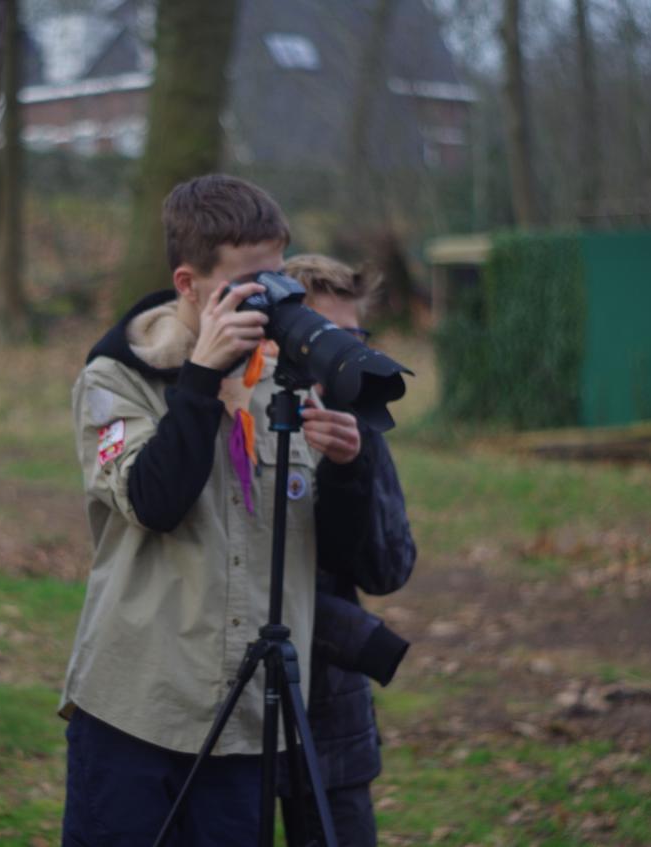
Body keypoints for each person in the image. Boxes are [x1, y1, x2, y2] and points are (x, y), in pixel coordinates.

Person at [59, 174, 377, 846]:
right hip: (136, 708)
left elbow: (345, 557)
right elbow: (154, 501)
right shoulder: (117, 377)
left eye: (280, 279)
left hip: (247, 726)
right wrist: (202, 379)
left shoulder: (285, 386)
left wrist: (350, 469)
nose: (274, 302)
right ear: (189, 283)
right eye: (250, 285)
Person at [277, 254, 416, 847]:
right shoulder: (241, 410)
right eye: (326, 339)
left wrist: (352, 464)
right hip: (234, 709)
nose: (341, 357)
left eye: (354, 338)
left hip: (333, 715)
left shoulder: (359, 423)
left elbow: (389, 568)